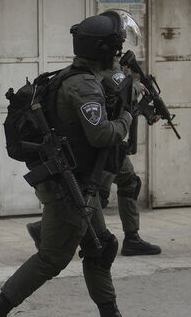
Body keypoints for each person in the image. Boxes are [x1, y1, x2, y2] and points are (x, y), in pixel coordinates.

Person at [0, 11, 157, 317]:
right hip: (69, 189)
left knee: (101, 247)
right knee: (52, 258)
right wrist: (129, 115)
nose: (118, 54)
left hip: (77, 183)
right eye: (115, 48)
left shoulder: (80, 77)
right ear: (102, 51)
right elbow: (102, 134)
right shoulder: (83, 85)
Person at [27, 65, 162, 257]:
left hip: (107, 142)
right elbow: (121, 91)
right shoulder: (105, 67)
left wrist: (147, 110)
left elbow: (120, 101)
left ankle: (132, 237)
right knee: (97, 195)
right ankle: (44, 230)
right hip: (103, 144)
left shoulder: (94, 67)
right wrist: (135, 85)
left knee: (127, 182)